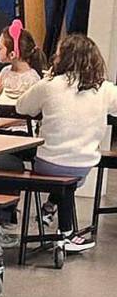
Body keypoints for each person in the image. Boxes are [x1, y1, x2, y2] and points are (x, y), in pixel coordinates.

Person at [16, 34, 117, 253]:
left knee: (49, 164)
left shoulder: (49, 85)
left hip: (47, 163)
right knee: (68, 176)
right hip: (83, 166)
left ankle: (62, 227)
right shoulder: (104, 89)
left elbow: (22, 107)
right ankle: (60, 225)